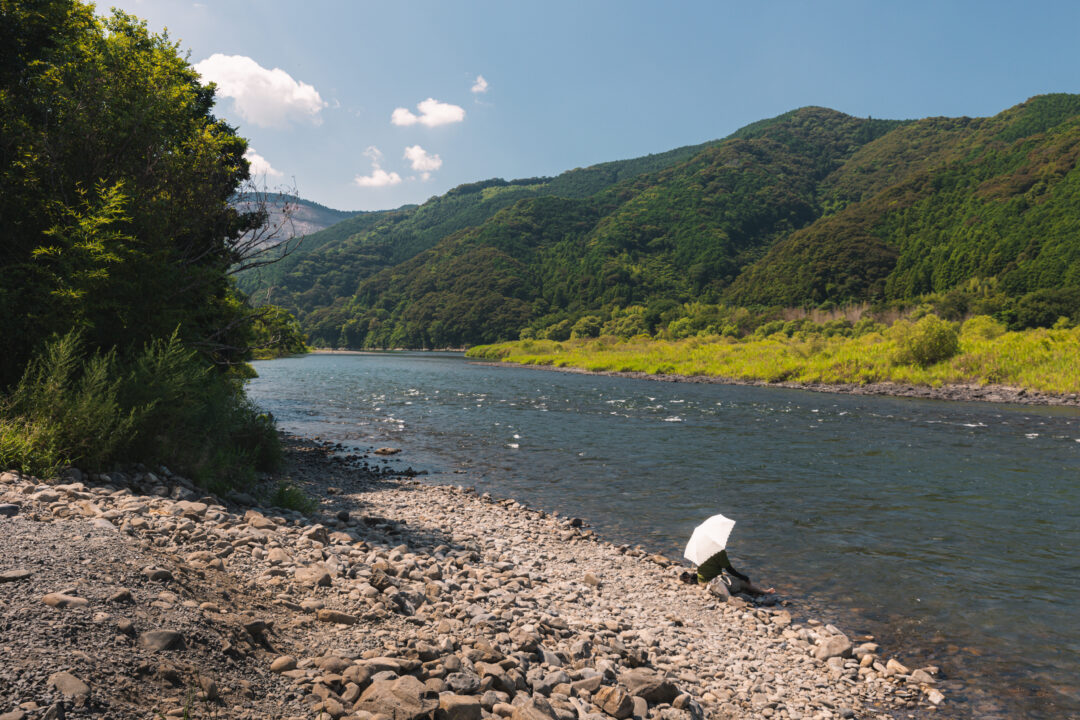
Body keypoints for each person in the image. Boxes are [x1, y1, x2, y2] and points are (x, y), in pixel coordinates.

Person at [692, 549, 774, 596]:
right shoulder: (719, 551)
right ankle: (764, 592)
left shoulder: (700, 549)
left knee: (730, 577)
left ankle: (750, 590)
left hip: (701, 581)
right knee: (743, 582)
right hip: (713, 584)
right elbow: (730, 570)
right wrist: (745, 577)